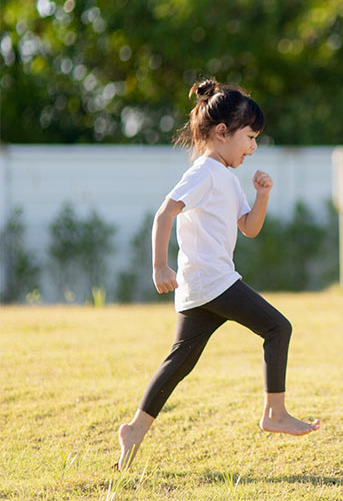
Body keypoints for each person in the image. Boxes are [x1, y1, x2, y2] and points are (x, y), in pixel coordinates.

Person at [117, 79, 318, 471]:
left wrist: (262, 196)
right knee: (278, 328)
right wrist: (159, 265)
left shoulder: (226, 175)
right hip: (213, 282)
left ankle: (135, 429)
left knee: (179, 363)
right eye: (250, 136)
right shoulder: (205, 172)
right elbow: (164, 214)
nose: (253, 146)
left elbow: (249, 227)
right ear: (223, 132)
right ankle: (274, 413)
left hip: (201, 288)